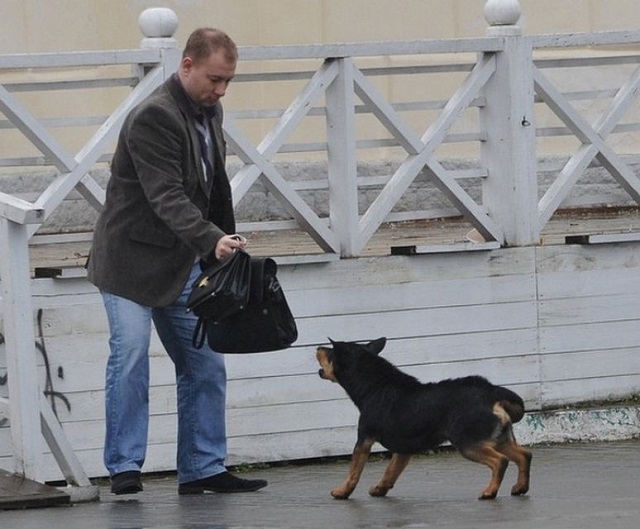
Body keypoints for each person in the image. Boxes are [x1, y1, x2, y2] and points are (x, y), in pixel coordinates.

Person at [86, 27, 268, 495]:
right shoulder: (154, 116)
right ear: (185, 65)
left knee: (206, 364)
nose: (221, 90)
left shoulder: (209, 109)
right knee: (129, 358)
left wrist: (225, 243)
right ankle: (124, 467)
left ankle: (203, 468)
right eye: (214, 79)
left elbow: (215, 184)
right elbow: (165, 195)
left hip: (182, 258)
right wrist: (211, 240)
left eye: (228, 81)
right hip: (128, 263)